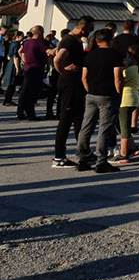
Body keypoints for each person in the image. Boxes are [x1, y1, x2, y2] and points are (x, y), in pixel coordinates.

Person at [76, 28, 124, 174]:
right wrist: (118, 93)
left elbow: (84, 77)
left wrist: (89, 89)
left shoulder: (90, 55)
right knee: (104, 127)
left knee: (86, 125)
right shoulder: (114, 54)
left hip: (91, 94)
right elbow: (118, 77)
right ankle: (101, 161)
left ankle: (83, 157)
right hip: (107, 95)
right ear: (110, 39)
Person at [52, 17, 93, 168]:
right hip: (69, 84)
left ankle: (83, 151)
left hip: (75, 85)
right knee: (66, 119)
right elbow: (58, 58)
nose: (89, 33)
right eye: (89, 29)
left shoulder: (71, 40)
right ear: (83, 28)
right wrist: (62, 71)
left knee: (78, 119)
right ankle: (58, 156)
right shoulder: (69, 40)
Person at [116, 42, 139, 164]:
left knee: (124, 127)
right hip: (135, 97)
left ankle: (123, 154)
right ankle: (132, 147)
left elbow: (120, 80)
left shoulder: (128, 68)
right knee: (124, 125)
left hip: (126, 98)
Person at [16, 25, 48, 121]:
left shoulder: (26, 42)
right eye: (42, 32)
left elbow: (20, 51)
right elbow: (47, 52)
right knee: (32, 93)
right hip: (36, 69)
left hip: (27, 69)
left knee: (25, 91)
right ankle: (30, 114)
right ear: (39, 33)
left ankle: (21, 112)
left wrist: (24, 61)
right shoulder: (39, 43)